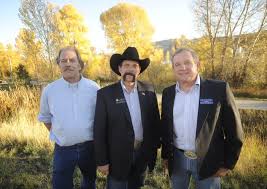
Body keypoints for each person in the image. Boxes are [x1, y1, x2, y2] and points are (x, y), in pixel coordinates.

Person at [161, 48, 244, 189]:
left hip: (208, 160)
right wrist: (165, 156)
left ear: (198, 65)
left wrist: (228, 164)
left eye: (187, 62)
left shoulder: (218, 89)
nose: (183, 68)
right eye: (178, 64)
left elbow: (234, 130)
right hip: (177, 159)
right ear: (173, 68)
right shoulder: (168, 93)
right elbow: (166, 127)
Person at [94, 47, 160, 189]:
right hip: (116, 157)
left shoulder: (148, 91)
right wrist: (102, 160)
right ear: (120, 68)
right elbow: (99, 130)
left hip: (142, 155)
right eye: (126, 65)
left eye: (134, 66)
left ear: (139, 70)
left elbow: (155, 124)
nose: (130, 69)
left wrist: (152, 153)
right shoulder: (105, 94)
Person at [38, 46, 100, 189]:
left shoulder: (94, 88)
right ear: (58, 64)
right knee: (61, 185)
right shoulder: (50, 90)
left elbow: (100, 118)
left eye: (72, 60)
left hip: (89, 148)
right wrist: (62, 134)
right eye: (63, 61)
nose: (67, 64)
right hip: (63, 149)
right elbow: (45, 118)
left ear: (79, 64)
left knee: (89, 182)